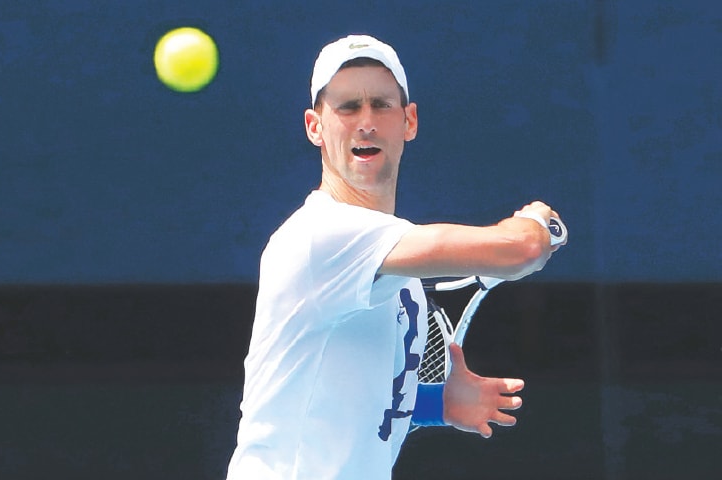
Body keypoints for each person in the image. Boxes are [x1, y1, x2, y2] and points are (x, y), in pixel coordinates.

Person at [226, 34, 566, 479]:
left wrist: (434, 404)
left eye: (381, 105)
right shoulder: (318, 236)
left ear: (409, 121)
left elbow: (353, 400)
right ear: (315, 127)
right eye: (347, 107)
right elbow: (521, 250)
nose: (366, 121)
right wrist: (540, 225)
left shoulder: (399, 276)